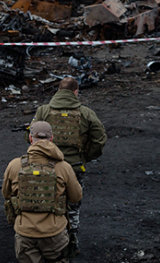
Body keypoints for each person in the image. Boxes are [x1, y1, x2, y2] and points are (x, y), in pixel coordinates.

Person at [2, 121, 82, 263]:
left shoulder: (15, 165)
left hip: (25, 232)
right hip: (55, 232)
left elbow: (6, 193)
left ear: (31, 138)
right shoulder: (63, 167)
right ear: (52, 139)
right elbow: (76, 197)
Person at [31, 77, 106, 252]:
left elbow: (30, 135)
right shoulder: (86, 113)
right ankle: (70, 244)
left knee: (46, 204)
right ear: (76, 92)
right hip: (74, 167)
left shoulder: (43, 111)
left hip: (45, 168)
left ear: (58, 91)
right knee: (73, 207)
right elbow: (100, 139)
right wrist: (86, 156)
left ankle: (46, 243)